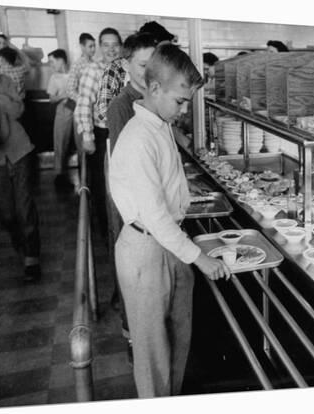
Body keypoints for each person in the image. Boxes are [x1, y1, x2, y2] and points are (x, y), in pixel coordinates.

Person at [109, 43, 231, 398]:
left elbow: (166, 187)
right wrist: (201, 258)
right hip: (144, 246)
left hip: (168, 242)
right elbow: (154, 215)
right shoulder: (137, 138)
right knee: (152, 354)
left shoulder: (159, 124)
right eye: (180, 101)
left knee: (179, 337)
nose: (182, 110)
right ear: (156, 89)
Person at [104, 32, 158, 362]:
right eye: (142, 64)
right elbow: (130, 166)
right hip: (131, 207)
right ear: (126, 64)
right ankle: (133, 338)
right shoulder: (121, 106)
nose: (149, 70)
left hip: (146, 202)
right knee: (133, 274)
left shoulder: (150, 98)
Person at [0, 54, 41, 283]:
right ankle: (19, 241)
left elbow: (16, 110)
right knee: (5, 212)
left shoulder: (6, 83)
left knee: (24, 206)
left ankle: (32, 256)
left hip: (19, 149)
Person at [74, 27, 122, 239]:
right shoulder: (93, 70)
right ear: (100, 47)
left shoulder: (123, 69)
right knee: (103, 188)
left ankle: (121, 229)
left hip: (123, 135)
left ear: (120, 46)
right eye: (106, 45)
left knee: (122, 185)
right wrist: (87, 136)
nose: (111, 49)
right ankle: (107, 234)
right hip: (102, 136)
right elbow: (83, 104)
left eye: (115, 45)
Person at [65, 33, 97, 158]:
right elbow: (70, 89)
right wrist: (85, 101)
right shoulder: (77, 64)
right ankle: (83, 177)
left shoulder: (96, 64)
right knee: (83, 148)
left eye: (94, 46)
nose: (93, 49)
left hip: (94, 112)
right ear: (82, 47)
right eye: (90, 46)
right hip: (81, 110)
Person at [47, 48, 74, 190]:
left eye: (52, 62)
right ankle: (60, 176)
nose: (51, 65)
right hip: (63, 111)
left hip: (78, 111)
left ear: (61, 60)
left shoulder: (75, 73)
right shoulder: (54, 78)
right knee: (60, 143)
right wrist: (63, 96)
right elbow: (51, 99)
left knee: (81, 145)